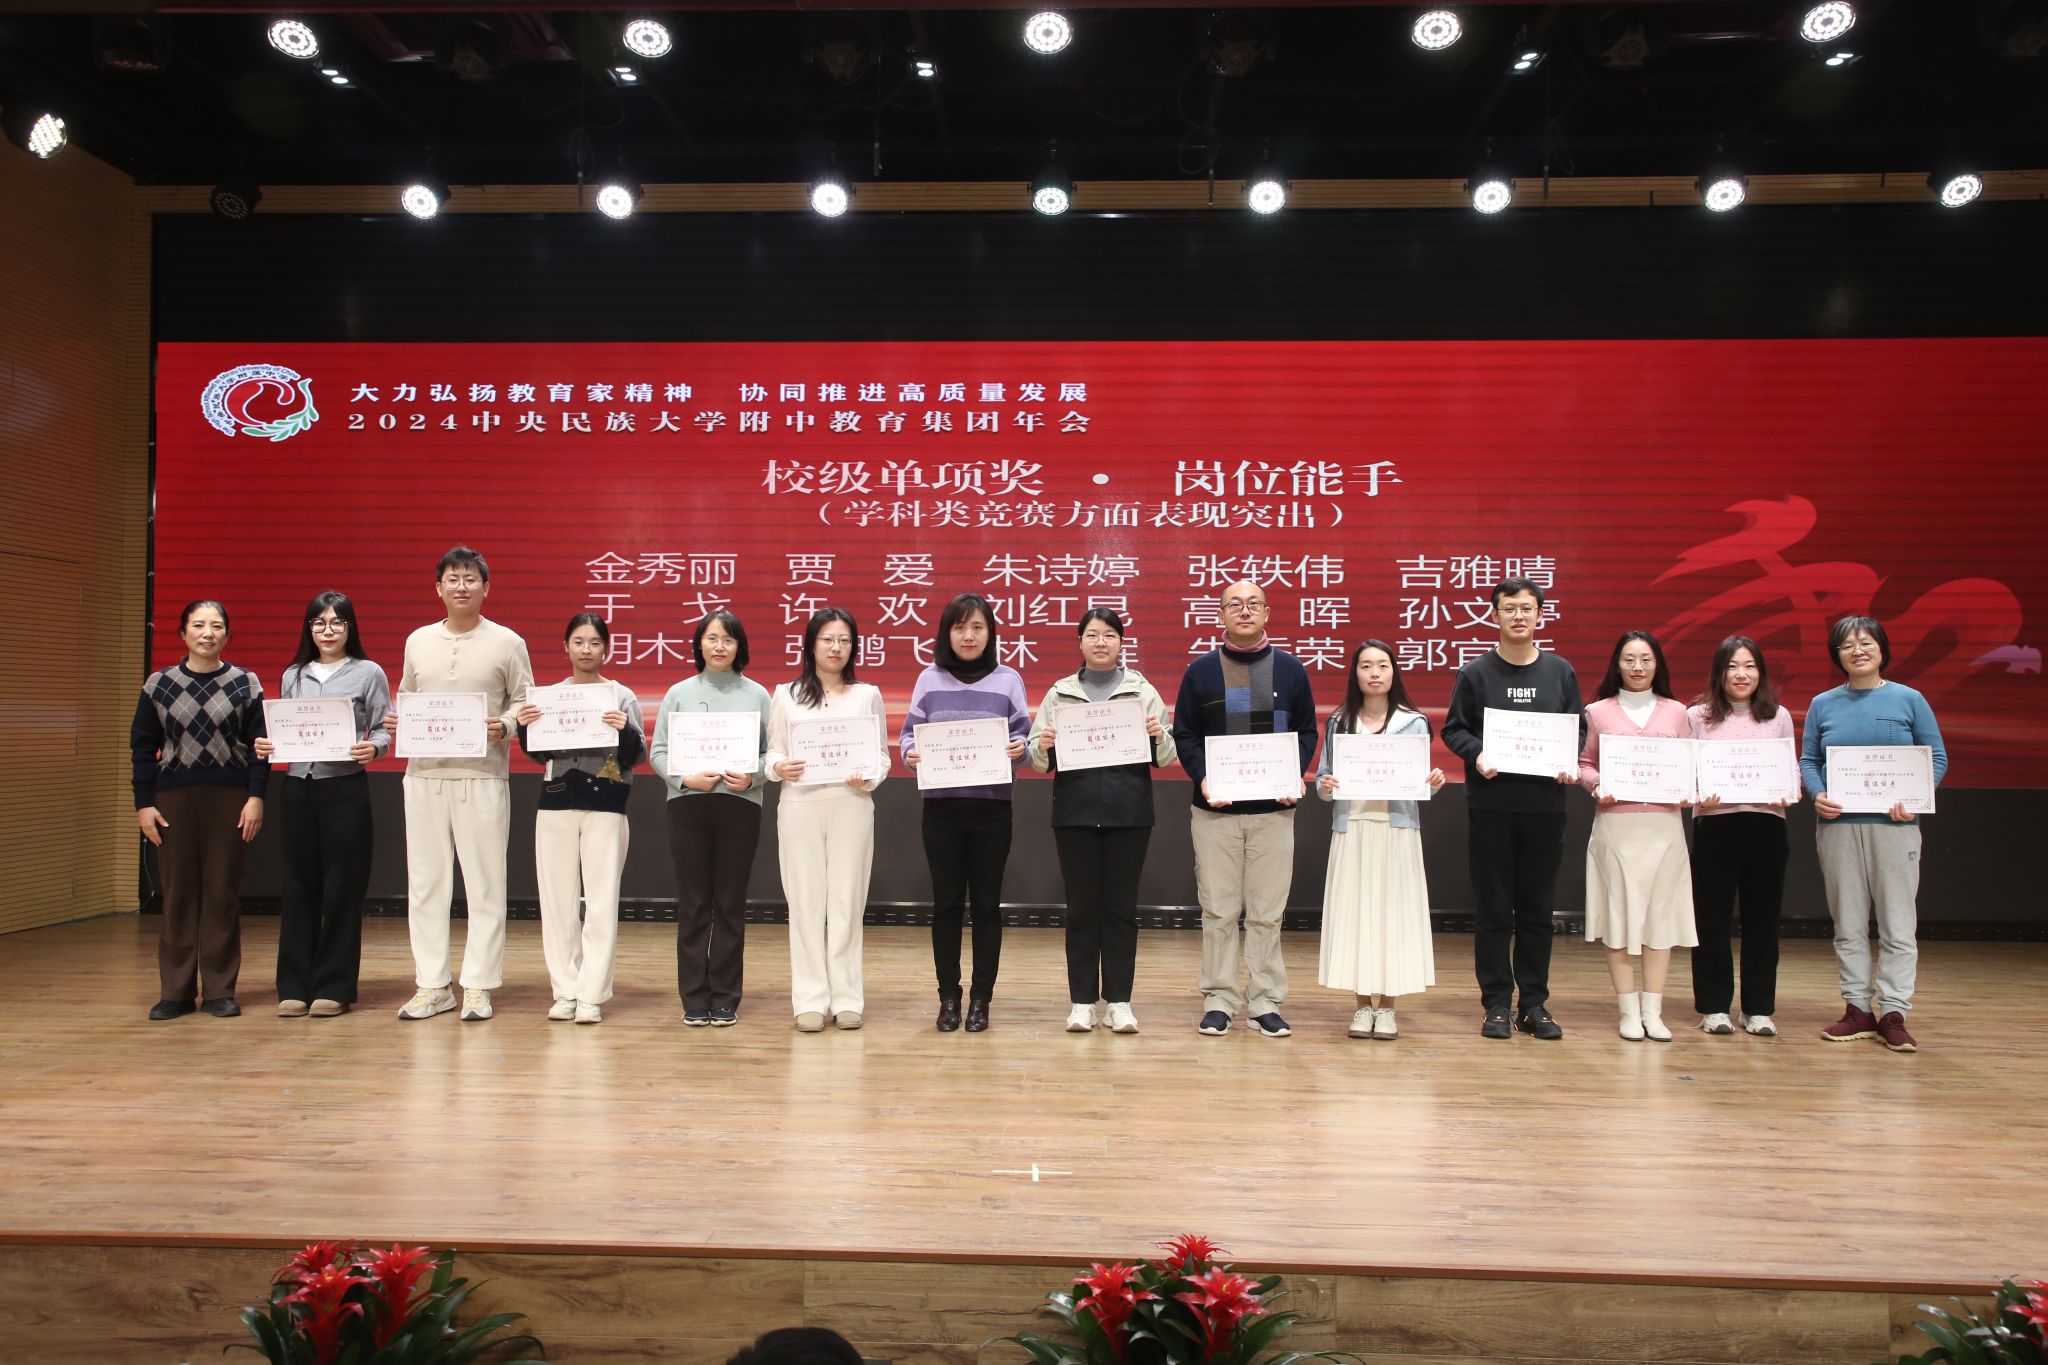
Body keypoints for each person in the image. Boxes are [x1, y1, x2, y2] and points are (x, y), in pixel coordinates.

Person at [385, 546, 534, 1023]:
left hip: (482, 775)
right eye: (453, 578)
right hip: (424, 775)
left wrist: (505, 725)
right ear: (439, 588)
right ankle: (432, 985)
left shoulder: (508, 641)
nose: (461, 586)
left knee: (485, 883)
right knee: (426, 884)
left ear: (486, 588)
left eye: (471, 578)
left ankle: (478, 985)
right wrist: (398, 721)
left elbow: (524, 702)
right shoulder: (418, 641)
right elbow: (407, 695)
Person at [1171, 580, 1318, 1039]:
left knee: (1266, 912)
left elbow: (1307, 731)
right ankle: (1219, 999)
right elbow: (1185, 734)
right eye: (1234, 604)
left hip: (1274, 811)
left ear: (1267, 612)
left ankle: (1264, 1001)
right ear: (1221, 615)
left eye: (1254, 603)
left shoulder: (1291, 670)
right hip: (1215, 812)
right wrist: (1203, 776)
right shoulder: (1200, 672)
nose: (1245, 610)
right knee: (1218, 911)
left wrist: (1291, 775)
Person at [1440, 576, 1585, 1041]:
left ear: (1540, 615)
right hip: (1491, 806)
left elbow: (1577, 728)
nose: (1518, 616)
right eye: (1509, 608)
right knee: (1494, 910)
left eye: (1526, 608)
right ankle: (1497, 1004)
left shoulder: (1560, 671)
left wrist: (1567, 759)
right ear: (1494, 615)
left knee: (1538, 910)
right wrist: (1478, 753)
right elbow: (1454, 729)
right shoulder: (1475, 673)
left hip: (1545, 807)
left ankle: (1534, 1004)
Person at [1026, 608, 1177, 1034]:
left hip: (1129, 814)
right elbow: (1037, 760)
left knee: (1121, 909)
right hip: (1074, 814)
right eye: (1092, 634)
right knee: (1081, 910)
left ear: (1121, 642)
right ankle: (1081, 1002)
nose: (1100, 642)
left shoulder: (1141, 691)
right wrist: (1045, 743)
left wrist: (1157, 734)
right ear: (1080, 642)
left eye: (1109, 635)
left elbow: (1167, 755)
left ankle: (1120, 1001)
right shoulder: (1060, 693)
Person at [1802, 614, 1947, 1053]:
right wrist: (1817, 794)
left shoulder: (1909, 699)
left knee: (1898, 924)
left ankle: (1894, 1012)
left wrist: (1917, 799)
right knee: (1847, 923)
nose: (1858, 650)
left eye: (1866, 642)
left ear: (1882, 649)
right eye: (1847, 645)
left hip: (1896, 827)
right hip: (1839, 827)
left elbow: (1935, 757)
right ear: (1837, 655)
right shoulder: (1823, 704)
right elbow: (1809, 760)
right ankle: (1857, 1009)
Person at [251, 591, 389, 1018]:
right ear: (309, 629)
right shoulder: (293, 674)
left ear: (350, 627)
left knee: (343, 889)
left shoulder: (368, 672)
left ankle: (334, 985)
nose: (328, 631)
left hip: (345, 788)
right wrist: (267, 744)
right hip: (298, 788)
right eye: (319, 623)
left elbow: (383, 727)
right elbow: (283, 730)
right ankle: (294, 984)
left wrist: (374, 748)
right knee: (298, 886)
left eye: (337, 622)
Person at [131, 599, 267, 1020]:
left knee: (221, 893)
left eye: (216, 626)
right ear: (183, 633)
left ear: (227, 634)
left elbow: (260, 749)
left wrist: (256, 797)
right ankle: (175, 992)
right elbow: (142, 748)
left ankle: (219, 991)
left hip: (230, 798)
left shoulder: (245, 683)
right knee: (178, 894)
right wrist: (143, 805)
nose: (208, 633)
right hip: (173, 800)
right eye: (198, 625)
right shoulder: (159, 684)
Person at [902, 593, 1031, 1033]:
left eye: (977, 627)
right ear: (947, 633)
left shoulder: (1008, 679)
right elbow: (909, 736)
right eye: (960, 627)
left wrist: (1019, 749)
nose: (969, 635)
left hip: (992, 808)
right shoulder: (928, 679)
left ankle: (980, 999)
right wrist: (911, 754)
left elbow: (1025, 739)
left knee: (988, 906)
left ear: (990, 633)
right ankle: (948, 997)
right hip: (941, 809)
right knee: (946, 905)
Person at [1314, 639, 1445, 1040]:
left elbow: (1419, 785)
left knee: (1393, 917)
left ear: (1393, 672)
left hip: (1397, 830)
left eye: (1383, 665)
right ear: (1355, 673)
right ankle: (1360, 1006)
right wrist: (1326, 785)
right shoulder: (1339, 721)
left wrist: (1433, 783)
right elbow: (1322, 781)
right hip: (1352, 828)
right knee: (1355, 917)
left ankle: (1387, 1007)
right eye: (1366, 665)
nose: (1374, 673)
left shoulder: (1413, 722)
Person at [515, 613, 642, 1025]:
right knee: (557, 904)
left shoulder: (621, 696)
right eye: (578, 642)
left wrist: (624, 730)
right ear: (565, 647)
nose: (586, 650)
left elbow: (635, 755)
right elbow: (540, 754)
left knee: (601, 902)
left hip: (606, 805)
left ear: (607, 649)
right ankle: (565, 990)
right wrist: (525, 727)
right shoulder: (549, 697)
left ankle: (591, 994)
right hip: (556, 803)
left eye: (594, 642)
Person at [766, 608, 886, 1032]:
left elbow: (881, 756)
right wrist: (778, 767)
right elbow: (773, 751)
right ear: (811, 644)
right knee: (805, 904)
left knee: (847, 903)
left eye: (844, 640)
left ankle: (847, 997)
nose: (836, 648)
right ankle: (810, 998)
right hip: (800, 804)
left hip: (851, 803)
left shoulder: (866, 695)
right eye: (828, 639)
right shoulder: (786, 694)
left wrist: (869, 776)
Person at [650, 609, 772, 1026]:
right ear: (699, 644)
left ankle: (725, 997)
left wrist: (753, 776)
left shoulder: (757, 695)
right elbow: (659, 751)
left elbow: (773, 752)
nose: (720, 647)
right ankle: (694, 997)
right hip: (688, 803)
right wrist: (684, 779)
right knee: (694, 902)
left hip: (740, 804)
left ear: (740, 646)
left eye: (728, 639)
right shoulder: (679, 693)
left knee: (730, 902)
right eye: (712, 638)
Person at [1578, 630, 1698, 1042]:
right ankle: (1628, 1011)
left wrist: (1688, 790)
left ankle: (1653, 1011)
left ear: (1657, 664)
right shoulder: (1598, 711)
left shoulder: (1678, 712)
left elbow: (1690, 764)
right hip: (1617, 827)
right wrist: (1596, 785)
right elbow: (1585, 763)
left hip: (1664, 828)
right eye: (1629, 659)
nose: (1637, 667)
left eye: (1645, 659)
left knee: (1659, 919)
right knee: (1620, 917)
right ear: (1617, 664)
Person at [1687, 635, 1796, 1038]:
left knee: (1763, 920)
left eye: (1750, 666)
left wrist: (1789, 789)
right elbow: (1686, 771)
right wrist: (1698, 792)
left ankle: (1759, 1009)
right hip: (1715, 824)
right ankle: (1714, 1006)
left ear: (1760, 673)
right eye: (1732, 666)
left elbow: (1790, 770)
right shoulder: (1697, 716)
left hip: (1766, 826)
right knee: (1711, 920)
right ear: (1719, 672)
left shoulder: (1778, 716)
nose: (1741, 674)